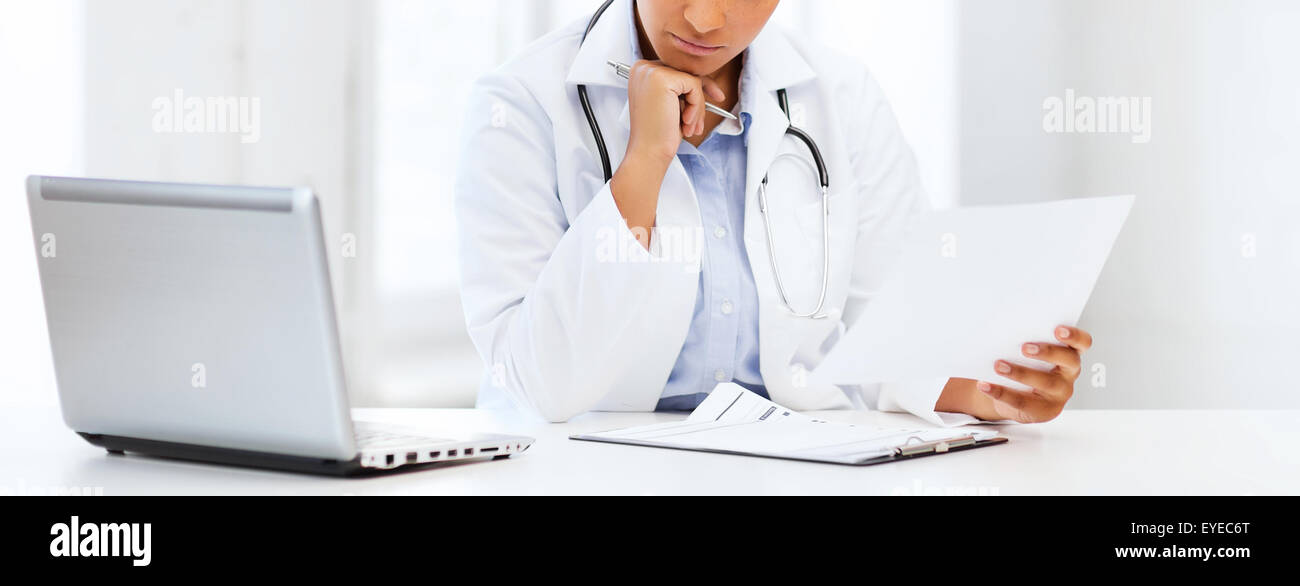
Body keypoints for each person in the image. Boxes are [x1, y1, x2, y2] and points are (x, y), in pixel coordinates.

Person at [454, 0, 1092, 425]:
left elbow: (882, 336)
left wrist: (986, 388)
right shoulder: (520, 103)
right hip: (590, 475)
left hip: (793, 465)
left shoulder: (841, 95)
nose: (705, 18)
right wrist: (643, 164)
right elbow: (536, 384)